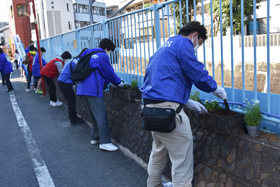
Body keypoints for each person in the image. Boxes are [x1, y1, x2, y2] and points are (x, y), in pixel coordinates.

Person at [140, 21, 227, 187]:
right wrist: (215, 88)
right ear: (194, 36)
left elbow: (162, 80)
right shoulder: (184, 43)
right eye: (199, 44)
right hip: (168, 112)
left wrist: (186, 101)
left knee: (158, 150)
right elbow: (195, 71)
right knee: (182, 159)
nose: (197, 48)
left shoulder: (165, 46)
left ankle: (153, 184)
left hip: (149, 108)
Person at [76, 38, 124, 152]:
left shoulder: (89, 52)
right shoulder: (102, 56)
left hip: (82, 87)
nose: (109, 53)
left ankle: (95, 137)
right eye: (110, 50)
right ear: (107, 48)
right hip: (93, 89)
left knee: (93, 114)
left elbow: (97, 72)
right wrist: (120, 83)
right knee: (101, 115)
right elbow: (109, 72)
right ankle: (105, 142)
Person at [58, 48, 88, 125]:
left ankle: (74, 117)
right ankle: (73, 119)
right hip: (65, 82)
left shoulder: (75, 60)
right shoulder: (78, 62)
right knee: (71, 101)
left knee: (72, 100)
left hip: (63, 81)